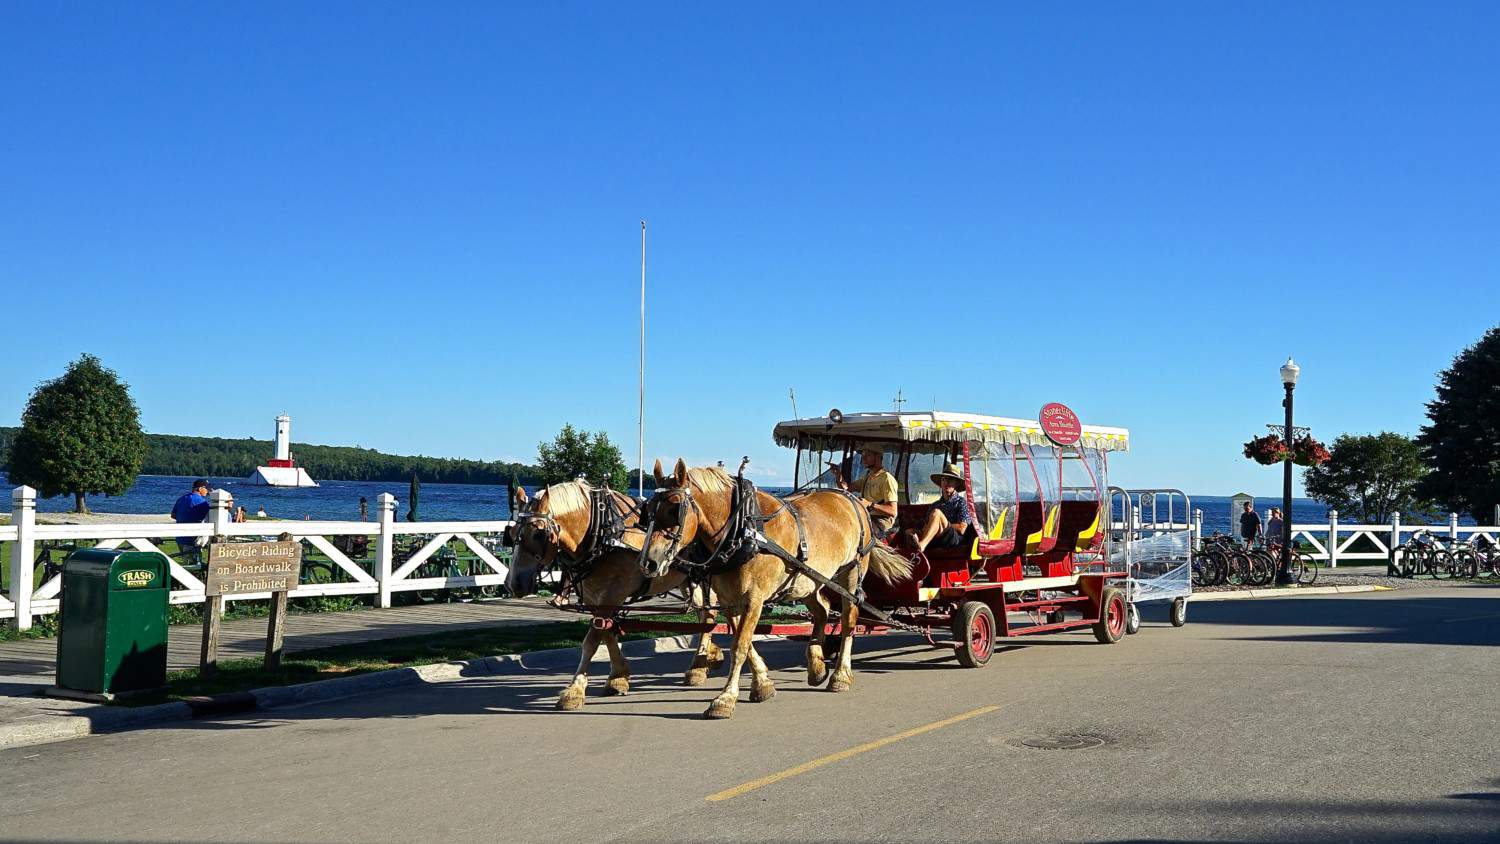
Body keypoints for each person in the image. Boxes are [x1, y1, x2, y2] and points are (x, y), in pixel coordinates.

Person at [828, 447, 899, 535]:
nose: (863, 459)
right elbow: (846, 489)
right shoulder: (867, 477)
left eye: (867, 455)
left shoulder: (887, 478)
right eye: (863, 456)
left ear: (877, 457)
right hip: (866, 517)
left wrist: (870, 504)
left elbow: (893, 511)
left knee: (859, 534)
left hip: (881, 521)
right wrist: (838, 475)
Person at [905, 463, 972, 552]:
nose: (946, 482)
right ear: (941, 483)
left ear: (956, 484)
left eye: (951, 479)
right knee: (909, 531)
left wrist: (939, 523)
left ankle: (921, 545)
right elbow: (926, 527)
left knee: (937, 513)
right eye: (944, 479)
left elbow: (962, 528)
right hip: (937, 538)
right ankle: (913, 552)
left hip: (954, 539)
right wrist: (930, 528)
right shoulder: (935, 504)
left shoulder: (961, 502)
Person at [171, 479, 212, 562]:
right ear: (200, 489)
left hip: (180, 538)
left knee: (186, 562)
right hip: (192, 540)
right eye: (206, 489)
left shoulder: (181, 499)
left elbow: (173, 515)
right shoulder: (202, 502)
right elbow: (209, 519)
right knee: (194, 565)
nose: (207, 492)